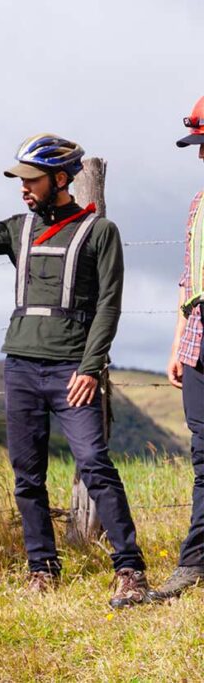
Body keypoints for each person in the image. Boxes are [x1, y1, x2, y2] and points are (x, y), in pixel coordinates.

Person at [0, 134, 149, 607]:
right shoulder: (19, 227)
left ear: (61, 179)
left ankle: (131, 569)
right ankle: (41, 568)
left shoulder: (100, 231)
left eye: (31, 179)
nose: (23, 188)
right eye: (20, 179)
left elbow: (108, 306)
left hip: (71, 371)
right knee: (27, 476)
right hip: (19, 366)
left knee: (95, 465)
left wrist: (90, 366)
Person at [154, 96, 204, 601]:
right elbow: (190, 278)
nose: (200, 155)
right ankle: (194, 562)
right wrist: (177, 340)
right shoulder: (198, 204)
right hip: (198, 341)